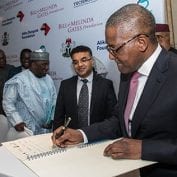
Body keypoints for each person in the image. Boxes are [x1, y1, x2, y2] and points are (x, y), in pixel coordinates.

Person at [52, 4, 177, 177]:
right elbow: (119, 121)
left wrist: (144, 148)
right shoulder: (128, 71)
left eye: (115, 48)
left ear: (141, 42)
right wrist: (81, 134)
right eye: (108, 48)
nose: (110, 56)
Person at [53, 45, 117, 130]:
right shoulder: (65, 85)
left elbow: (112, 117)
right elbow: (58, 117)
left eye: (84, 60)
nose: (79, 65)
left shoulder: (105, 85)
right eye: (75, 62)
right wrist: (57, 135)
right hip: (72, 139)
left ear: (92, 61)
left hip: (98, 138)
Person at [3, 49, 57, 140]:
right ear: (33, 64)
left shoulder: (48, 79)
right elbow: (8, 103)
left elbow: (54, 100)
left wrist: (51, 119)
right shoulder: (19, 80)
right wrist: (17, 121)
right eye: (43, 64)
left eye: (48, 64)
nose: (47, 67)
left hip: (46, 129)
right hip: (26, 130)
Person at [0, 49, 14, 115]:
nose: (1, 60)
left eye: (3, 58)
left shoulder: (12, 69)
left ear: (5, 57)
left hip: (13, 105)